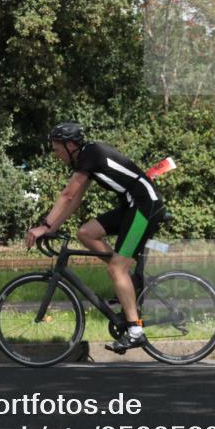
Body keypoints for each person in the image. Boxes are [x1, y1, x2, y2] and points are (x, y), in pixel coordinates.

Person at [24, 122, 166, 353]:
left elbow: (67, 195)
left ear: (71, 145)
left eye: (57, 148)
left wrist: (44, 226)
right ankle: (127, 280)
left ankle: (135, 331)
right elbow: (75, 199)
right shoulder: (88, 158)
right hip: (133, 205)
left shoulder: (90, 154)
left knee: (115, 270)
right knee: (86, 233)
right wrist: (49, 228)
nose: (56, 154)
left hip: (144, 206)